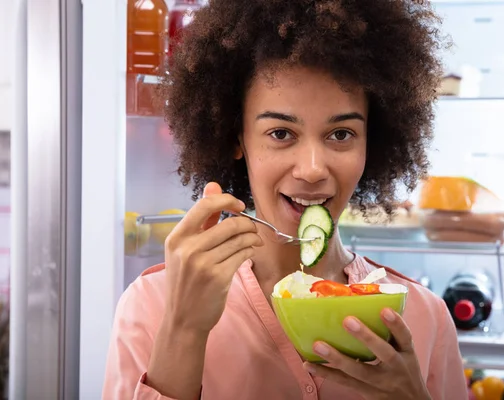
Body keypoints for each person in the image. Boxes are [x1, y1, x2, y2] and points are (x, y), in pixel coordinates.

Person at [103, 0, 468, 399]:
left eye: (341, 134)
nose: (312, 169)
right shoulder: (155, 304)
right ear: (236, 137)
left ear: (371, 144)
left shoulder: (424, 316)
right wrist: (184, 329)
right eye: (280, 133)